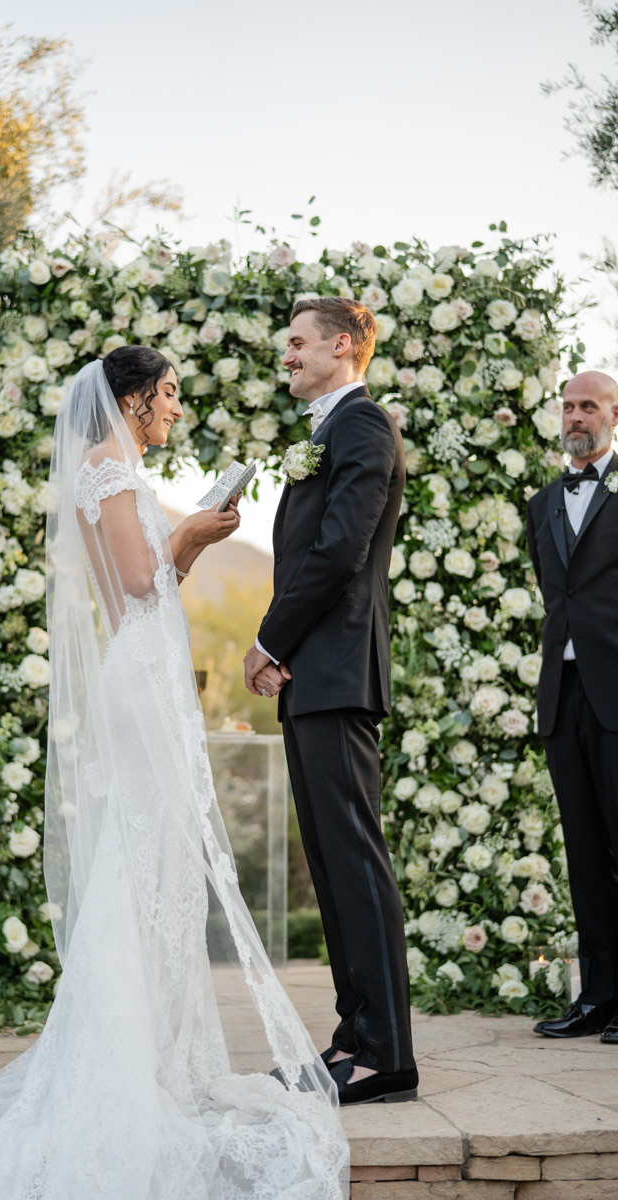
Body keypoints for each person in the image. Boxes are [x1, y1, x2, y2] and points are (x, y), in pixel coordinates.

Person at [0, 348, 349, 1199]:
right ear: (131, 400)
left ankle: (152, 1056)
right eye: (170, 396)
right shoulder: (109, 467)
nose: (177, 412)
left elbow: (152, 585)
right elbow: (140, 577)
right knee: (142, 864)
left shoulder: (115, 468)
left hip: (146, 664)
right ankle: (119, 1070)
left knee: (153, 863)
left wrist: (188, 541)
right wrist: (188, 532)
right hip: (140, 677)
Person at [243, 297, 418, 1106]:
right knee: (332, 861)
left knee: (355, 859)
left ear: (341, 347)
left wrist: (271, 640)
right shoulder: (326, 432)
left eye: (298, 343)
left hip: (341, 670)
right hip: (317, 671)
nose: (288, 356)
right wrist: (289, 655)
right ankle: (355, 1038)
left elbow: (340, 550)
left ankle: (387, 1054)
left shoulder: (361, 425)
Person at [528, 370, 618, 1042]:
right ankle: (598, 999)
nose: (576, 416)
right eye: (568, 406)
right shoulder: (541, 504)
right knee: (584, 852)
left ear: (614, 414)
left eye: (589, 405)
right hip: (563, 695)